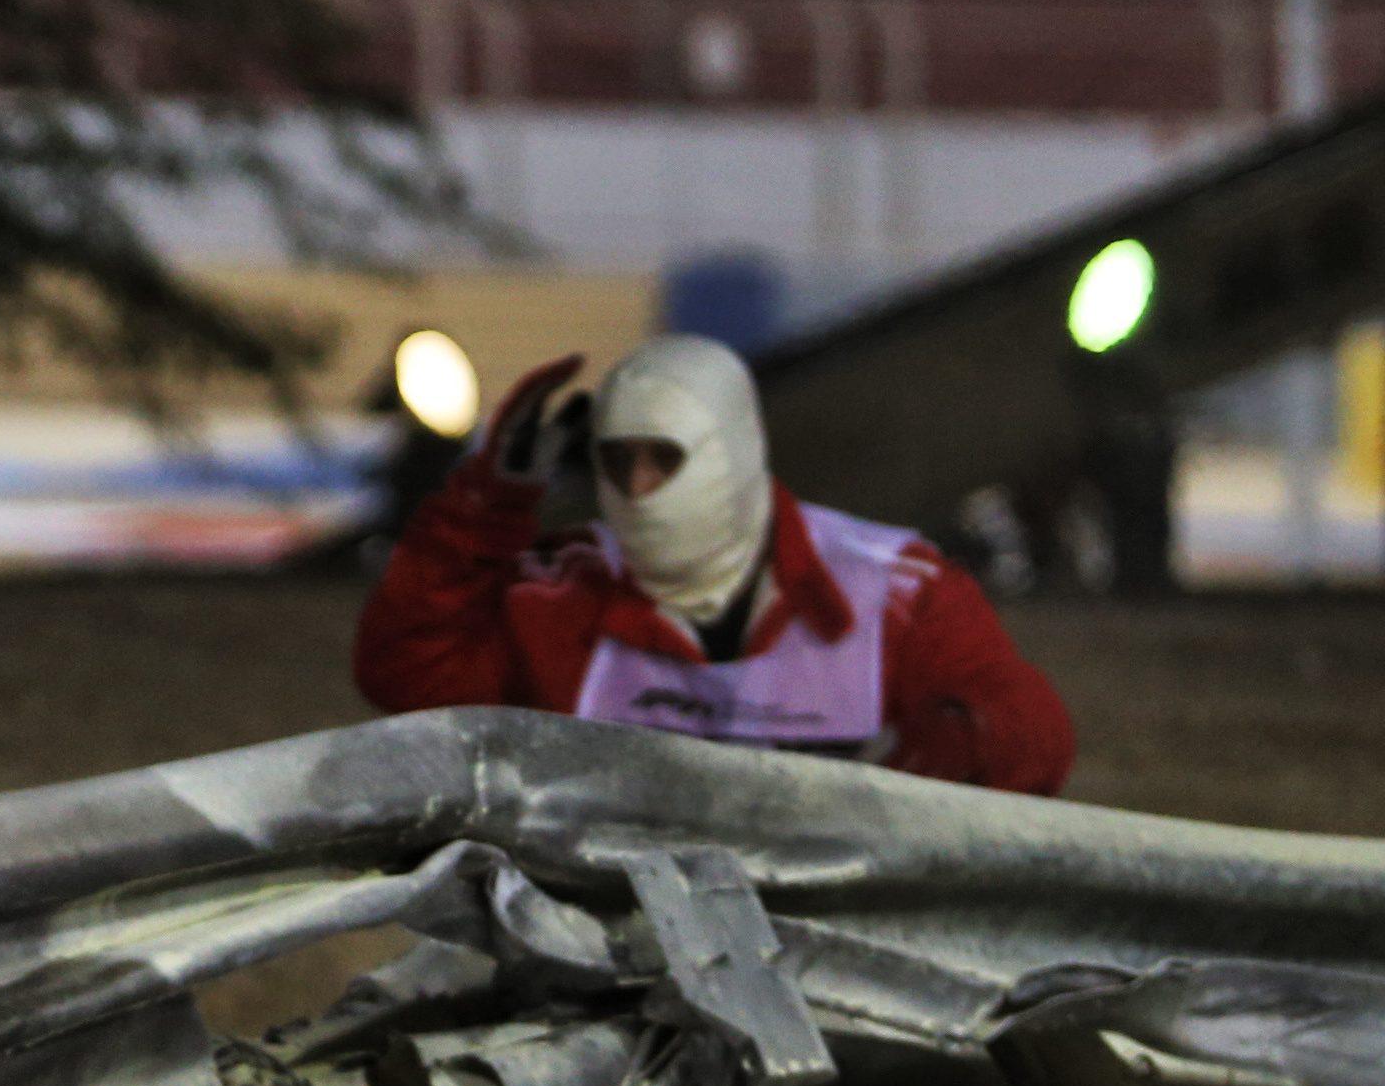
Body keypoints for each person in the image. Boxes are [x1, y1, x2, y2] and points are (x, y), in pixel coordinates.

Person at [350, 334, 1074, 795]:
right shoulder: (557, 591)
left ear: (732, 450)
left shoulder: (890, 590)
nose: (638, 491)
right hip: (607, 974)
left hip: (838, 968)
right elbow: (405, 673)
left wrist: (910, 769)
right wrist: (482, 509)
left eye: (664, 460)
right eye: (616, 462)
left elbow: (1032, 745)